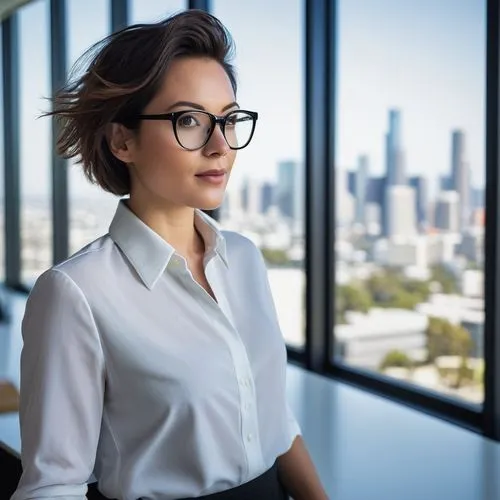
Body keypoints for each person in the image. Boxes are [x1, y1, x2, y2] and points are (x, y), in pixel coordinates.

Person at [11, 9, 329, 500]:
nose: (220, 145)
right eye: (189, 120)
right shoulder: (77, 294)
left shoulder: (244, 259)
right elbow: (53, 486)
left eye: (228, 119)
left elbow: (273, 417)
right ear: (123, 140)